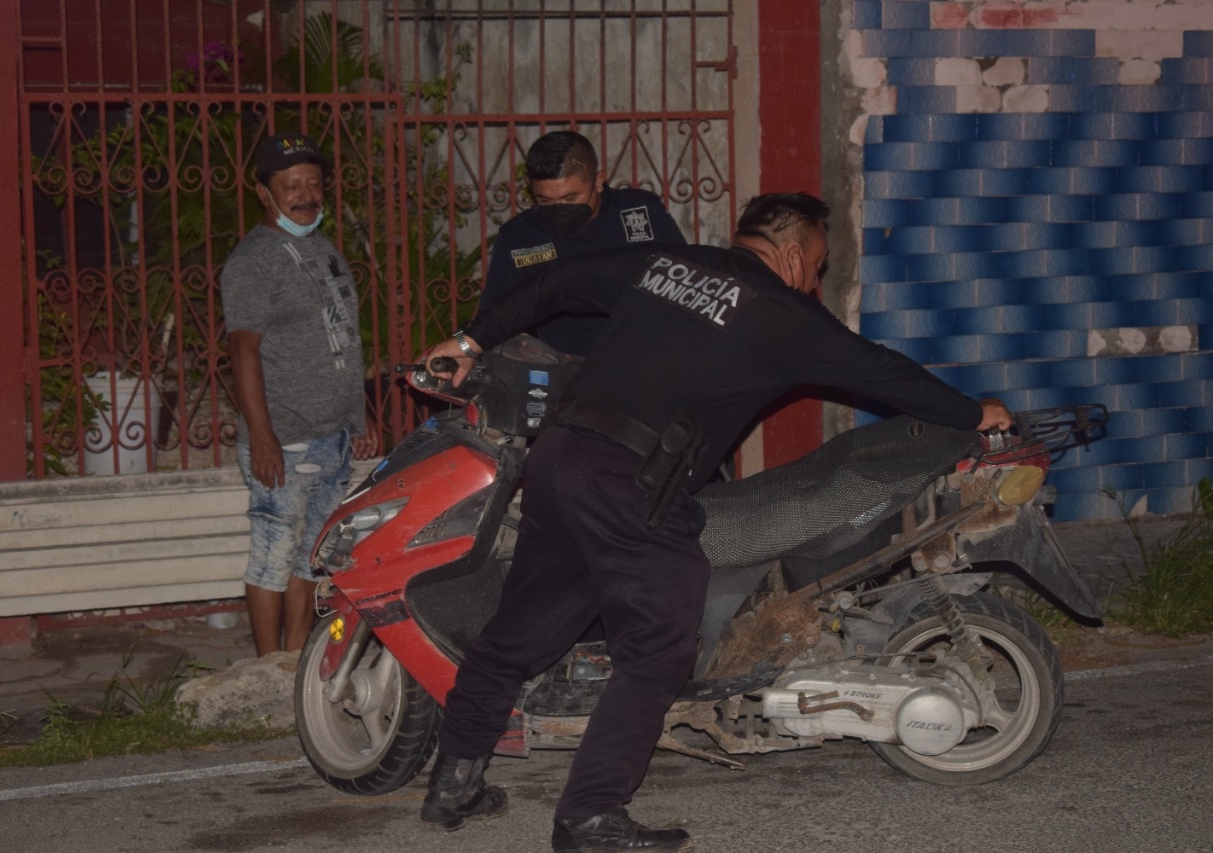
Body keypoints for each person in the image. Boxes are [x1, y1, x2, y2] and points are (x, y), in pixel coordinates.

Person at [418, 193, 1013, 851]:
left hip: (559, 460)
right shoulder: (783, 313)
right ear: (791, 254)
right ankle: (588, 815)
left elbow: (555, 281)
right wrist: (968, 412)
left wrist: (470, 338)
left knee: (517, 633)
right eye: (816, 266)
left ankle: (454, 783)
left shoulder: (665, 262)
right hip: (631, 480)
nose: (814, 281)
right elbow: (882, 370)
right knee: (660, 643)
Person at [222, 132, 380, 657]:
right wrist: (262, 437)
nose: (306, 195)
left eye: (314, 183)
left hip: (332, 438)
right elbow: (243, 352)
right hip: (285, 441)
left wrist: (361, 417)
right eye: (292, 186)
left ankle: (296, 661)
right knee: (272, 555)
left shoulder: (322, 246)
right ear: (264, 192)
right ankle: (267, 667)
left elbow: (343, 339)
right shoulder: (254, 261)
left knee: (311, 558)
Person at [477, 129, 686, 356]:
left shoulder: (641, 213)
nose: (560, 209)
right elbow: (489, 319)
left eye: (570, 198)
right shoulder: (520, 236)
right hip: (564, 369)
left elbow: (689, 280)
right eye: (545, 200)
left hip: (643, 359)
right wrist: (463, 352)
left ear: (598, 181)